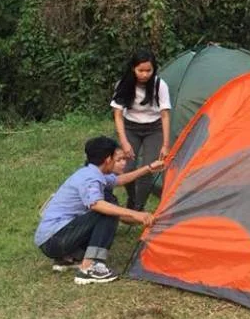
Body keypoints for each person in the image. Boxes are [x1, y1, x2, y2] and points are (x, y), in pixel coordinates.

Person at [34, 136, 165, 284]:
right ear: (108, 159)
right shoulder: (90, 178)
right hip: (54, 240)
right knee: (107, 213)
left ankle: (67, 259)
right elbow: (97, 204)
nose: (120, 162)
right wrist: (136, 214)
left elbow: (119, 180)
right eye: (117, 158)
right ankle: (90, 267)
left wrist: (149, 168)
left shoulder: (93, 172)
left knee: (107, 211)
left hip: (53, 239)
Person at [111, 49, 171, 210]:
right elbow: (117, 115)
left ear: (154, 69)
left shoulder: (160, 85)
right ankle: (133, 199)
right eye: (141, 70)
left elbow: (165, 115)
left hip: (154, 128)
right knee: (126, 168)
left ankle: (138, 207)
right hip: (131, 127)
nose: (145, 74)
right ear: (133, 69)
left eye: (148, 70)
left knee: (149, 168)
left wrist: (165, 145)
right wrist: (124, 141)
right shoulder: (123, 84)